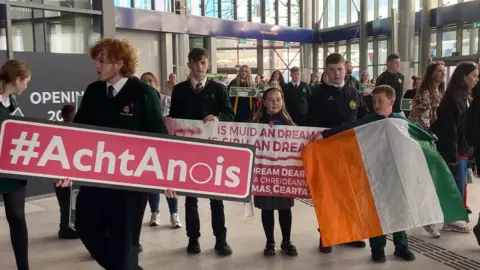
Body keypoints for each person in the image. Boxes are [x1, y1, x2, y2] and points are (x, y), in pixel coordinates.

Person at [57, 37, 169, 270]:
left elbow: (160, 137)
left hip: (131, 183)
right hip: (96, 178)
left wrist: (167, 176)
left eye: (101, 60)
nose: (96, 65)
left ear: (119, 63)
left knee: (124, 241)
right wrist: (66, 166)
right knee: (85, 225)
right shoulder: (93, 91)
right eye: (96, 60)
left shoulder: (144, 93)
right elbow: (78, 132)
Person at [315, 85, 416, 263]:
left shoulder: (401, 120)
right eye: (374, 101)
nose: (376, 104)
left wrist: (431, 137)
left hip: (396, 172)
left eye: (380, 101)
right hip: (375, 173)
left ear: (391, 101)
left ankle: (402, 246)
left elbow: (416, 134)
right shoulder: (369, 120)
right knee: (376, 211)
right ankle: (377, 248)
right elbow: (348, 126)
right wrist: (325, 135)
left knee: (399, 210)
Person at [167, 47, 235, 256]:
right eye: (195, 62)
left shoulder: (219, 88)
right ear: (189, 64)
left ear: (209, 65)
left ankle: (221, 239)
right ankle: (193, 238)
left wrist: (218, 118)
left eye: (203, 62)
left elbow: (230, 115)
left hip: (213, 150)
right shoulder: (179, 90)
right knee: (191, 198)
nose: (199, 66)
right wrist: (169, 124)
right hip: (188, 150)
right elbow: (174, 117)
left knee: (216, 198)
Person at [308, 52, 368, 253]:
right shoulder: (316, 93)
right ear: (326, 71)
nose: (336, 73)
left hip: (351, 153)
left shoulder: (354, 93)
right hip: (327, 152)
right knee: (328, 196)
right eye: (332, 70)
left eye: (339, 69)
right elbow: (308, 123)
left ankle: (350, 234)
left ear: (346, 69)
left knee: (350, 194)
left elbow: (365, 119)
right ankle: (326, 235)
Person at [431, 62, 479, 234]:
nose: (476, 79)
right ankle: (450, 217)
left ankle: (453, 214)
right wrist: (451, 155)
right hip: (455, 149)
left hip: (463, 148)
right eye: (474, 76)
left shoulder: (465, 97)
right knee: (455, 184)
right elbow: (449, 129)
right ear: (464, 77)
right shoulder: (453, 99)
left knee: (461, 183)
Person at [253, 87, 298, 257]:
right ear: (264, 102)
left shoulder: (288, 121)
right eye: (270, 100)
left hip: (282, 174)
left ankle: (286, 241)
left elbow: (297, 138)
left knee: (285, 208)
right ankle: (269, 242)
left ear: (283, 102)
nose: (274, 103)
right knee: (267, 209)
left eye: (278, 100)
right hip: (265, 173)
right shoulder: (257, 122)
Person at [140, 72, 182, 229]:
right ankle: (155, 213)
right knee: (152, 182)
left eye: (150, 80)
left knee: (169, 181)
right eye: (144, 81)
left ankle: (174, 214)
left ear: (156, 83)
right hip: (147, 147)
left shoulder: (166, 100)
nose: (148, 83)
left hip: (167, 146)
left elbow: (178, 118)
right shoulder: (138, 102)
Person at [0, 59, 31, 270]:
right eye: (26, 81)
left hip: (12, 171)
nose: (27, 86)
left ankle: (24, 267)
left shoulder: (12, 101)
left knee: (18, 219)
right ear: (17, 80)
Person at [53, 104, 79, 240]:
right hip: (69, 175)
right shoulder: (75, 131)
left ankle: (64, 229)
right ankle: (69, 230)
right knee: (71, 204)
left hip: (58, 176)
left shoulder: (56, 129)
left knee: (64, 204)